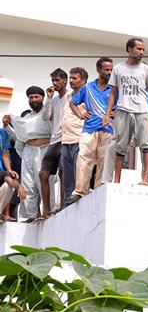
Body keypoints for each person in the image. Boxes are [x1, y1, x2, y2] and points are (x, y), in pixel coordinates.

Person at [103, 37, 148, 185]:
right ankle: (117, 180)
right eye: (139, 48)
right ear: (129, 49)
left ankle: (145, 179)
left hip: (142, 111)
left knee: (146, 145)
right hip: (123, 109)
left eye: (143, 49)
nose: (141, 52)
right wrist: (108, 114)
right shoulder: (118, 68)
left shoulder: (146, 69)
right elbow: (113, 92)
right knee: (120, 146)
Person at [69, 58, 114, 202]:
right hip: (89, 128)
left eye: (111, 70)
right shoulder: (87, 88)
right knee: (84, 159)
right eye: (106, 70)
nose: (109, 72)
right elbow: (73, 103)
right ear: (98, 70)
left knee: (104, 160)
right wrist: (80, 114)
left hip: (108, 129)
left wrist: (115, 113)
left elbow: (120, 107)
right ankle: (80, 191)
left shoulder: (114, 89)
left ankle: (99, 188)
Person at [4, 87, 51, 222]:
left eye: (36, 97)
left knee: (47, 181)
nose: (34, 100)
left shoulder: (48, 114)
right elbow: (19, 137)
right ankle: (31, 215)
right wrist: (6, 125)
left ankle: (49, 211)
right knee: (29, 184)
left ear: (42, 98)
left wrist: (49, 98)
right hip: (29, 151)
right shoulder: (26, 118)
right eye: (31, 97)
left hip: (46, 150)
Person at [39, 68, 68, 217]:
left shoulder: (71, 96)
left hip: (67, 139)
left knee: (62, 174)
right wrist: (49, 98)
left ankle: (63, 205)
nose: (54, 83)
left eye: (57, 80)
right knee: (43, 174)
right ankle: (46, 210)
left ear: (65, 81)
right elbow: (45, 117)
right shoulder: (54, 99)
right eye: (53, 81)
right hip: (54, 141)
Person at [58, 67, 88, 208]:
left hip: (80, 138)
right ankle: (66, 206)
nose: (71, 81)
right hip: (66, 141)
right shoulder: (68, 97)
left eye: (74, 78)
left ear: (84, 80)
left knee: (79, 175)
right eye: (70, 77)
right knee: (67, 178)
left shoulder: (89, 95)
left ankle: (80, 204)